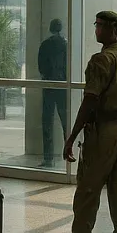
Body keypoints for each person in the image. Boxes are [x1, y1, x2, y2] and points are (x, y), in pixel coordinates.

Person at [52, 12, 117, 233]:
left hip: (103, 131)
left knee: (88, 194)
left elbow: (89, 101)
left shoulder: (101, 60)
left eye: (99, 26)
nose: (96, 30)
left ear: (111, 29)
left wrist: (72, 136)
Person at [38, 18, 68, 167]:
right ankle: (69, 154)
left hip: (48, 86)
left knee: (47, 122)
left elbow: (41, 67)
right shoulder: (66, 45)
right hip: (63, 86)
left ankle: (48, 158)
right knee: (65, 121)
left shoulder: (45, 45)